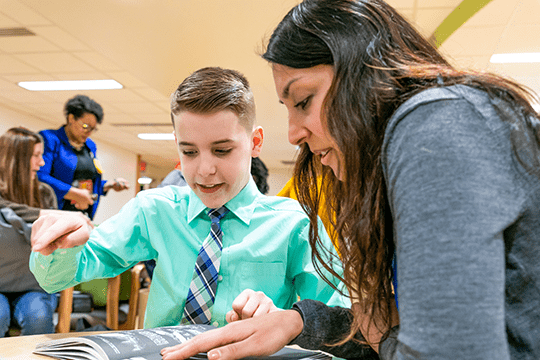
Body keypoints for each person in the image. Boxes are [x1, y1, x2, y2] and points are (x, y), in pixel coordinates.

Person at [159, 1, 540, 359]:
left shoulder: (435, 124)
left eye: (304, 100)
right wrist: (300, 321)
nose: (293, 134)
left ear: (365, 73)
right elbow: (399, 327)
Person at [30, 67, 349, 329]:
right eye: (189, 151)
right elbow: (57, 277)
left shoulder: (295, 224)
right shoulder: (154, 210)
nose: (204, 170)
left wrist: (288, 320)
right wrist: (57, 243)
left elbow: (339, 320)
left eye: (222, 150)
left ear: (255, 142)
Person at [0, 127, 63, 337]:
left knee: (38, 318)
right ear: (16, 158)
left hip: (34, 286)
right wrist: (43, 214)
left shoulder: (45, 193)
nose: (42, 163)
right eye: (36, 156)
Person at [37, 94, 129, 220]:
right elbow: (40, 177)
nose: (89, 132)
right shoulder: (50, 139)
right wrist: (73, 193)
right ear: (71, 118)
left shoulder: (90, 146)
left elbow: (85, 181)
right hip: (54, 214)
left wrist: (108, 185)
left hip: (82, 216)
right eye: (85, 126)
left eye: (93, 129)